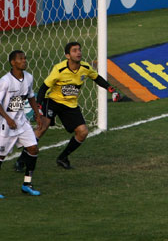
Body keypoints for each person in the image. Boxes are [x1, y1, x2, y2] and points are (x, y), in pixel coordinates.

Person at [14, 42, 121, 172]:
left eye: (79, 50)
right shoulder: (59, 69)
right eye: (75, 50)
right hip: (53, 102)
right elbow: (44, 88)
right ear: (67, 55)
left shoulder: (85, 68)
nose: (79, 52)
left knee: (83, 132)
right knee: (41, 128)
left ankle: (63, 158)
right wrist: (39, 106)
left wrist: (111, 89)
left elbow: (97, 77)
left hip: (70, 105)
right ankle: (21, 160)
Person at [0, 50, 43, 198]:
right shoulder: (5, 81)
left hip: (22, 122)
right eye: (21, 59)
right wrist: (8, 118)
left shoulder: (29, 77)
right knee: (1, 156)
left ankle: (27, 184)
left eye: (25, 58)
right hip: (6, 124)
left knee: (33, 149)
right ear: (13, 62)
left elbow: (30, 96)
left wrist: (37, 115)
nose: (24, 61)